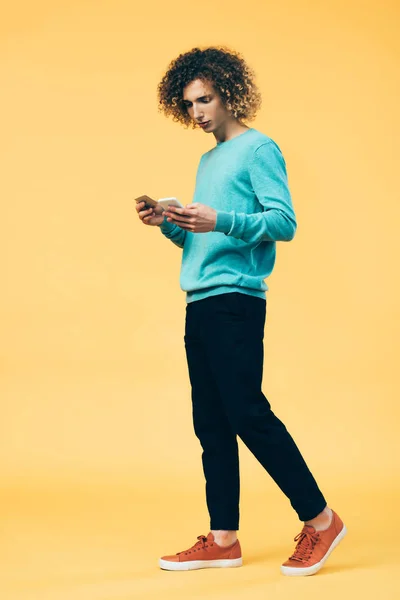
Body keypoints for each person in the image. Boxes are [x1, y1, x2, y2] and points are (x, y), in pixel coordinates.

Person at [135, 46, 347, 576]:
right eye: (188, 104)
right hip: (200, 299)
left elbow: (283, 222)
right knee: (210, 421)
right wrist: (169, 223)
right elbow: (200, 243)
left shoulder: (259, 149)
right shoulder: (208, 160)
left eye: (204, 99)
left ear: (228, 91)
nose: (198, 112)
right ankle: (223, 538)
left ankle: (322, 521)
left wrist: (223, 218)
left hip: (236, 301)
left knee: (247, 412)